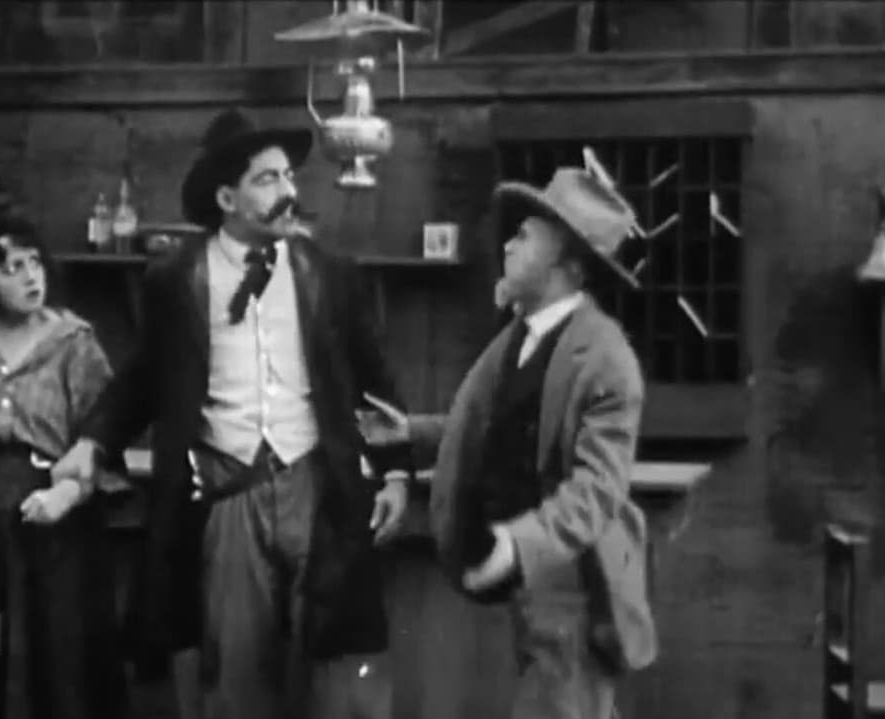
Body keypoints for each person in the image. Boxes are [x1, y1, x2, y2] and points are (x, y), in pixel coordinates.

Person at [52, 108, 413, 719]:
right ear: (227, 198)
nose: (288, 191)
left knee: (332, 673)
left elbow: (374, 378)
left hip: (315, 487)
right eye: (267, 179)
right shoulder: (176, 280)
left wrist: (398, 471)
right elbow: (143, 379)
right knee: (234, 674)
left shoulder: (328, 275)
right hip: (225, 491)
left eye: (289, 177)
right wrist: (93, 443)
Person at [412, 168, 657, 719]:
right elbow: (488, 426)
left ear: (568, 266)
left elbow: (598, 490)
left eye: (525, 236)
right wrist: (406, 435)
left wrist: (515, 546)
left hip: (577, 585)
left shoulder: (606, 358)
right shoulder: (521, 336)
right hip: (529, 590)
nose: (508, 245)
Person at [0, 206, 127, 719]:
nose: (29, 277)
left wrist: (68, 492)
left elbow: (107, 441)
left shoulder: (75, 344)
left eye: (34, 262)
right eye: (10, 268)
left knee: (59, 665)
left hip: (57, 521)